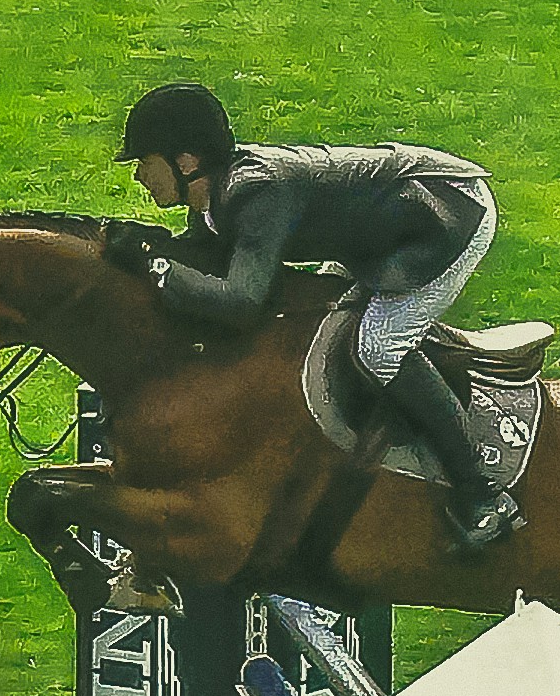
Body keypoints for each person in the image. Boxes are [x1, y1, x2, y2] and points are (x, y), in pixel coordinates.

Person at [116, 82, 522, 551]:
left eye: (144, 162)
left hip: (443, 216)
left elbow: (241, 304)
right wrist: (148, 248)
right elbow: (205, 258)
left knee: (380, 348)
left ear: (186, 161)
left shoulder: (255, 193)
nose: (139, 176)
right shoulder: (218, 197)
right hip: (386, 225)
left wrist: (155, 266)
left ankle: (481, 493)